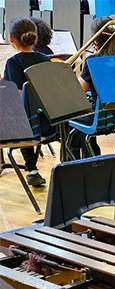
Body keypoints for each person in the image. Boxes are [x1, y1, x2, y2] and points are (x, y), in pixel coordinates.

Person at [3, 17, 53, 187]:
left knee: (19, 115)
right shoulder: (46, 60)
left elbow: (16, 97)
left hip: (28, 127)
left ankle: (32, 168)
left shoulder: (13, 63)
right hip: (49, 123)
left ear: (11, 39)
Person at [69, 16, 115, 158]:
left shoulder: (93, 61)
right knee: (86, 115)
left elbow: (79, 90)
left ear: (96, 38)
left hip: (100, 119)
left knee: (67, 119)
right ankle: (91, 154)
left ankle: (76, 161)